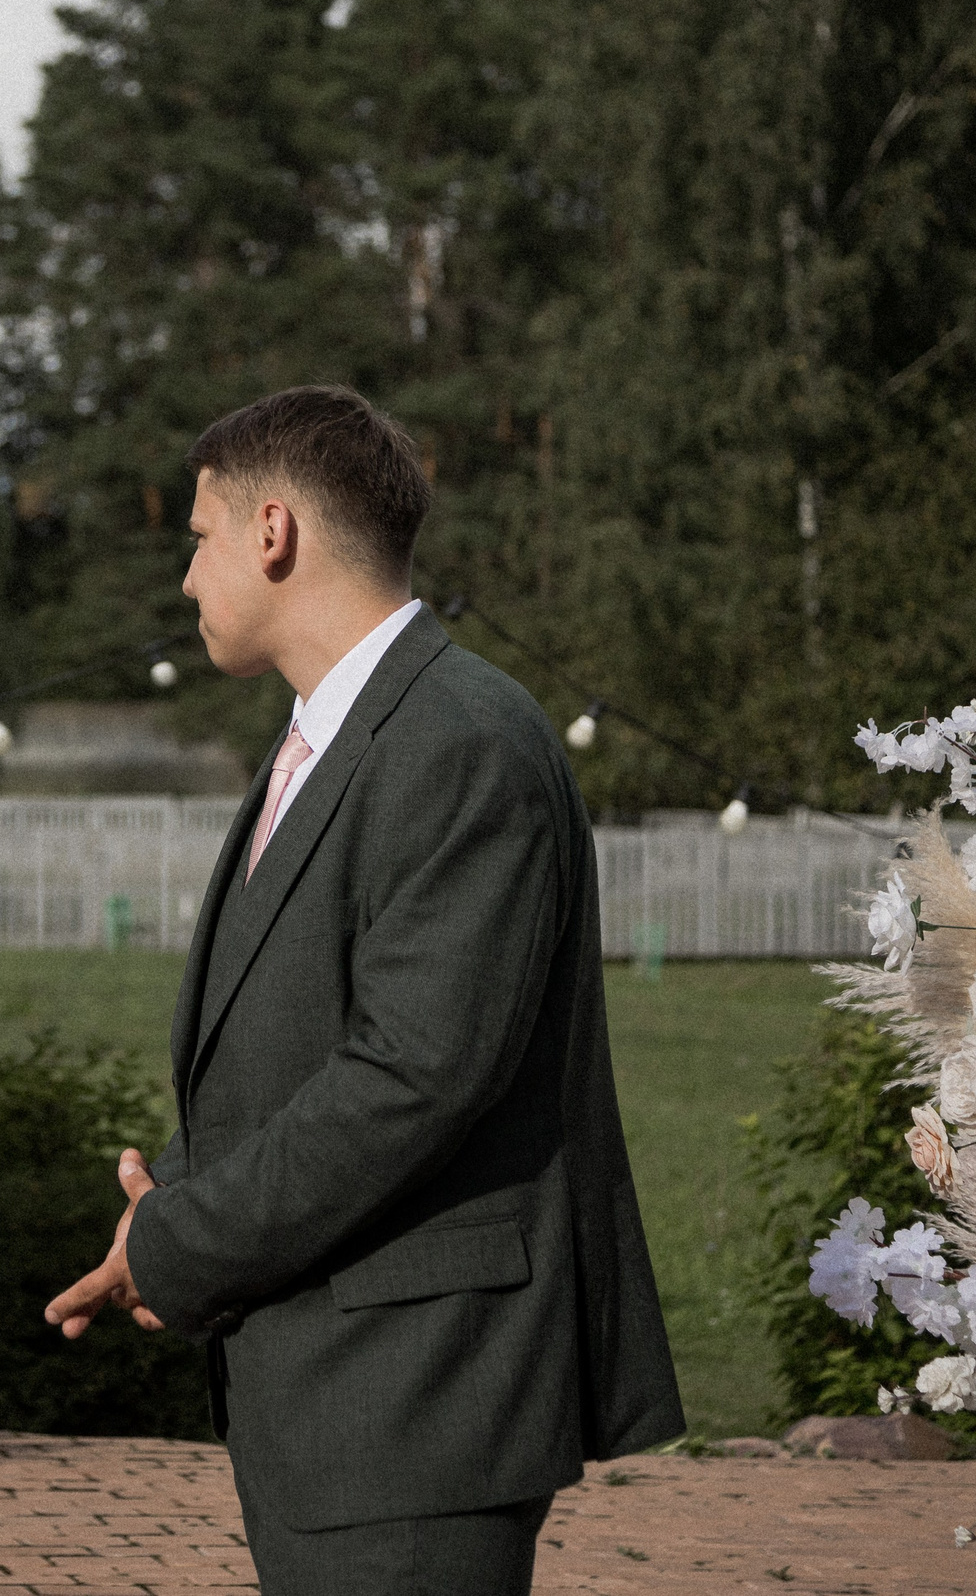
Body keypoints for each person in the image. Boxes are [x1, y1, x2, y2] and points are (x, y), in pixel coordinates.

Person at [44, 386, 683, 1595]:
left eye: (198, 536)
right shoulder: (337, 738)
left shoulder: (458, 740)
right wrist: (176, 1200)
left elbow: (415, 1074)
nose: (187, 577)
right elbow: (306, 1038)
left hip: (417, 1398)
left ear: (271, 531)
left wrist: (182, 1241)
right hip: (340, 1395)